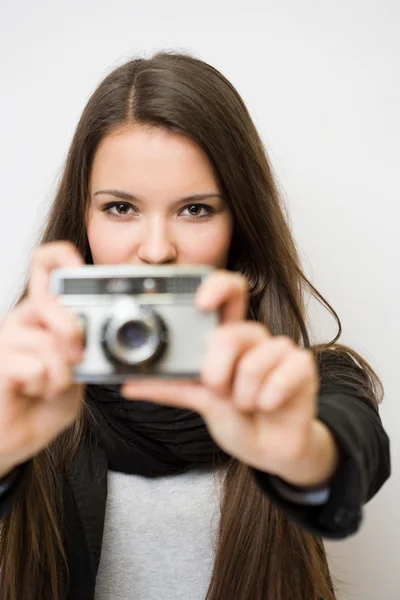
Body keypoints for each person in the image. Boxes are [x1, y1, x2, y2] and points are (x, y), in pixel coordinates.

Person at [0, 52, 390, 600]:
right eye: (120, 208)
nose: (157, 251)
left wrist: (301, 453)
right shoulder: (20, 386)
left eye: (196, 210)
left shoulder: (300, 382)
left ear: (241, 228)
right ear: (81, 220)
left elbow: (353, 446)